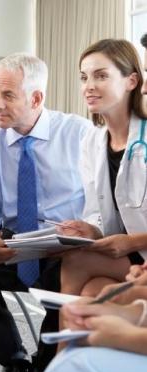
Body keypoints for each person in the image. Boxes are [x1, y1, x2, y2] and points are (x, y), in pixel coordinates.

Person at [0, 53, 92, 372]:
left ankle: (44, 370)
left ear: (36, 98)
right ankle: (15, 363)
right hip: (16, 247)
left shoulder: (78, 134)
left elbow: (100, 201)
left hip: (66, 247)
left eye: (8, 95)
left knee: (66, 281)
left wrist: (86, 228)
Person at [58, 39, 147, 302]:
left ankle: (58, 344)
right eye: (84, 77)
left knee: (77, 261)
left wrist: (131, 242)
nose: (89, 86)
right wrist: (90, 231)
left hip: (139, 249)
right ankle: (66, 343)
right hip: (125, 253)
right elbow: (97, 213)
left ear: (131, 81)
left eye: (101, 76)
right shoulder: (92, 142)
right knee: (93, 291)